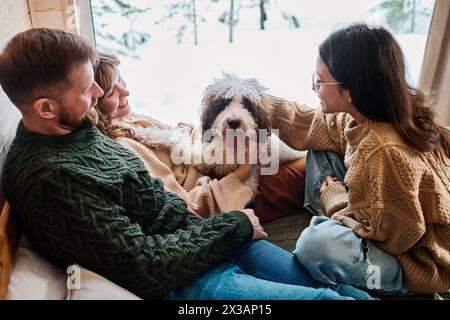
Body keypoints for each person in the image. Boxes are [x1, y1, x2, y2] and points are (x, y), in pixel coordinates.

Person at [0, 28, 374, 300]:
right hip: (186, 281)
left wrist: (228, 229)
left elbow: (163, 203)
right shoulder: (51, 181)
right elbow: (146, 265)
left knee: (335, 287)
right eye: (86, 90)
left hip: (205, 238)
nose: (98, 94)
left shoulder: (75, 129)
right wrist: (233, 224)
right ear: (45, 108)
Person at [262, 23, 450, 296]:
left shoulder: (382, 151)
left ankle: (398, 289)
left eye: (320, 80)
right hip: (385, 212)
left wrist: (336, 203)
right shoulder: (379, 110)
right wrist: (256, 101)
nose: (315, 87)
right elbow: (316, 125)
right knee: (319, 144)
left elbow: (393, 240)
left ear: (350, 90)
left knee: (316, 245)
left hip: (417, 259)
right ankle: (339, 214)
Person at [93, 53, 306, 222]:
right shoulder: (124, 145)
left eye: (120, 78)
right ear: (94, 99)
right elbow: (185, 206)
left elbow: (177, 137)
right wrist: (245, 168)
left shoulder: (128, 118)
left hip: (220, 160)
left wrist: (207, 134)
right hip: (231, 191)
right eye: (112, 91)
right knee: (313, 163)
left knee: (307, 150)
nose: (126, 92)